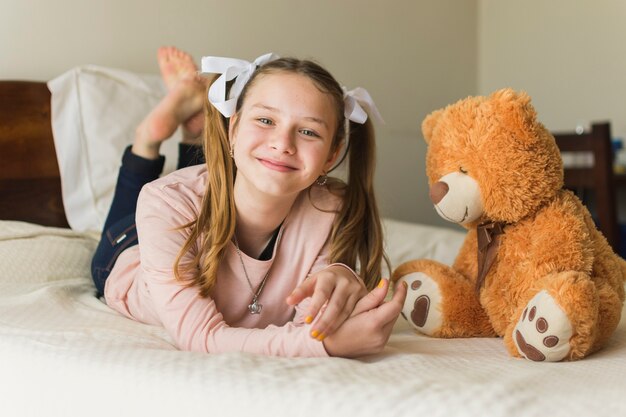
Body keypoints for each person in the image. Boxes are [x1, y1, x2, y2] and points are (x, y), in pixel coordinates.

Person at [91, 46, 407, 358]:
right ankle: (148, 137)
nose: (283, 144)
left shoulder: (331, 208)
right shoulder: (166, 203)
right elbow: (201, 336)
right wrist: (327, 345)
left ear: (332, 156)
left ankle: (192, 130)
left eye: (309, 131)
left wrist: (339, 276)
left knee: (203, 182)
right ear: (233, 128)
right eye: (266, 121)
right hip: (127, 250)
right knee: (162, 197)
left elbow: (308, 325)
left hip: (202, 200)